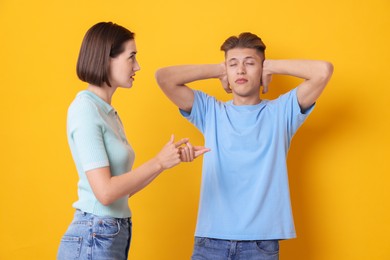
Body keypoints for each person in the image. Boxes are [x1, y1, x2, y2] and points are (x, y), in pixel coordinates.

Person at [155, 32, 333, 260]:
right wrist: (218, 70)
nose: (240, 70)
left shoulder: (281, 112)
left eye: (250, 64)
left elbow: (323, 72)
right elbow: (163, 77)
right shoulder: (210, 111)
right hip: (210, 240)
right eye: (233, 64)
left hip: (260, 244)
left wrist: (271, 66)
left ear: (262, 71)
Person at [57, 22, 210, 260]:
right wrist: (158, 162)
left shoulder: (107, 112)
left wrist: (168, 161)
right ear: (106, 58)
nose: (137, 66)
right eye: (132, 57)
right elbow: (105, 193)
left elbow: (121, 193)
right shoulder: (85, 109)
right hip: (94, 236)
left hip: (109, 234)